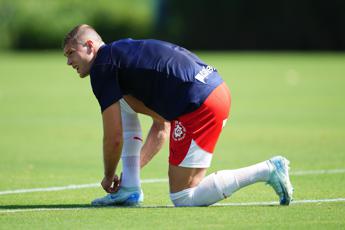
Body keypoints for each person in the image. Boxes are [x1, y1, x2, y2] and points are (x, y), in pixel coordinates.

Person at [63, 24, 293, 207]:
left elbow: (114, 138)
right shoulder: (121, 55)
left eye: (71, 53)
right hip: (216, 91)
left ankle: (268, 169)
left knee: (184, 196)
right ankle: (130, 190)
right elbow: (162, 127)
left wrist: (108, 175)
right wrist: (128, 175)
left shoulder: (102, 67)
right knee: (123, 102)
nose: (68, 62)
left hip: (200, 104)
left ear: (90, 46)